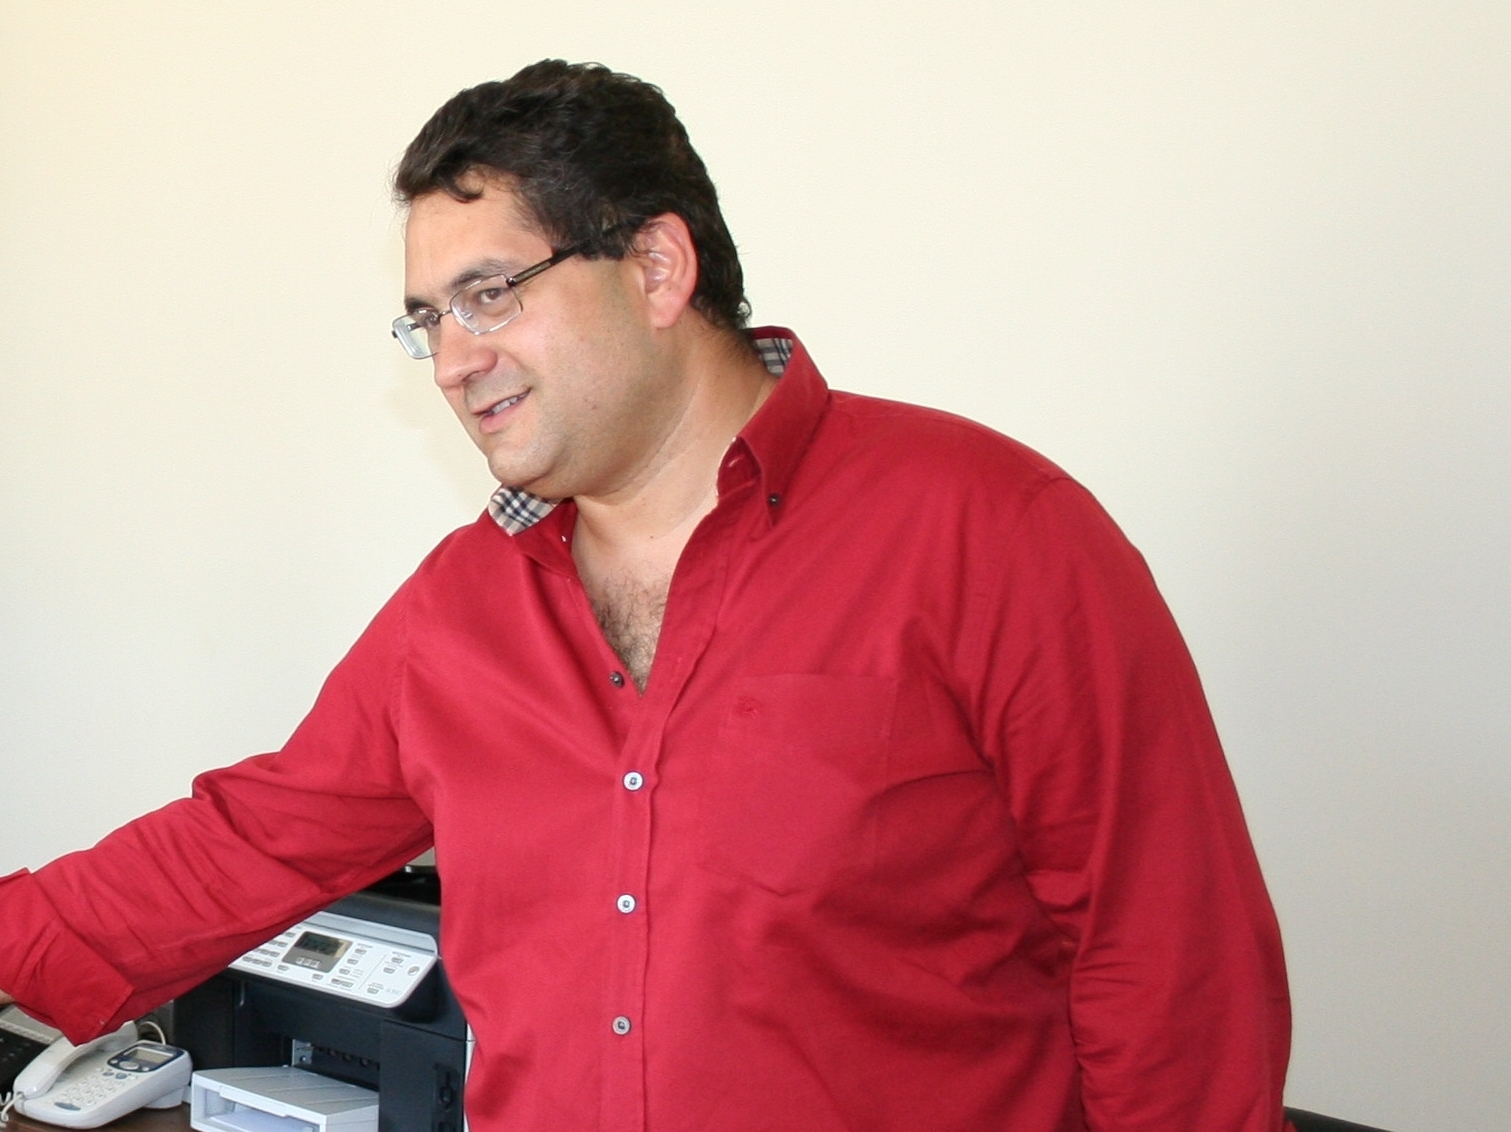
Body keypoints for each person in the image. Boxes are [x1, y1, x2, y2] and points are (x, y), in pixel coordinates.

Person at [0, 59, 1292, 1131]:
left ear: (659, 268)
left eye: (488, 295)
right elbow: (245, 844)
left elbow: (1168, 963)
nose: (451, 361)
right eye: (426, 319)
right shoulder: (461, 608)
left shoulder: (992, 530)